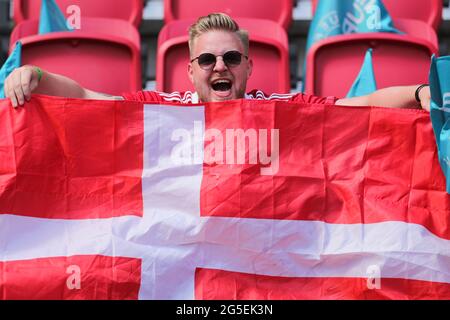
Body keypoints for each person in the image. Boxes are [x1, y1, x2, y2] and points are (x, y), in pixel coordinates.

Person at [3, 13, 431, 110]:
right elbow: (87, 98)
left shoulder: (277, 106)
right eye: (206, 59)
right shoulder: (162, 108)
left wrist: (420, 92)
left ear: (248, 66)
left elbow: (359, 107)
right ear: (189, 70)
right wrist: (34, 75)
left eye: (230, 57)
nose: (219, 66)